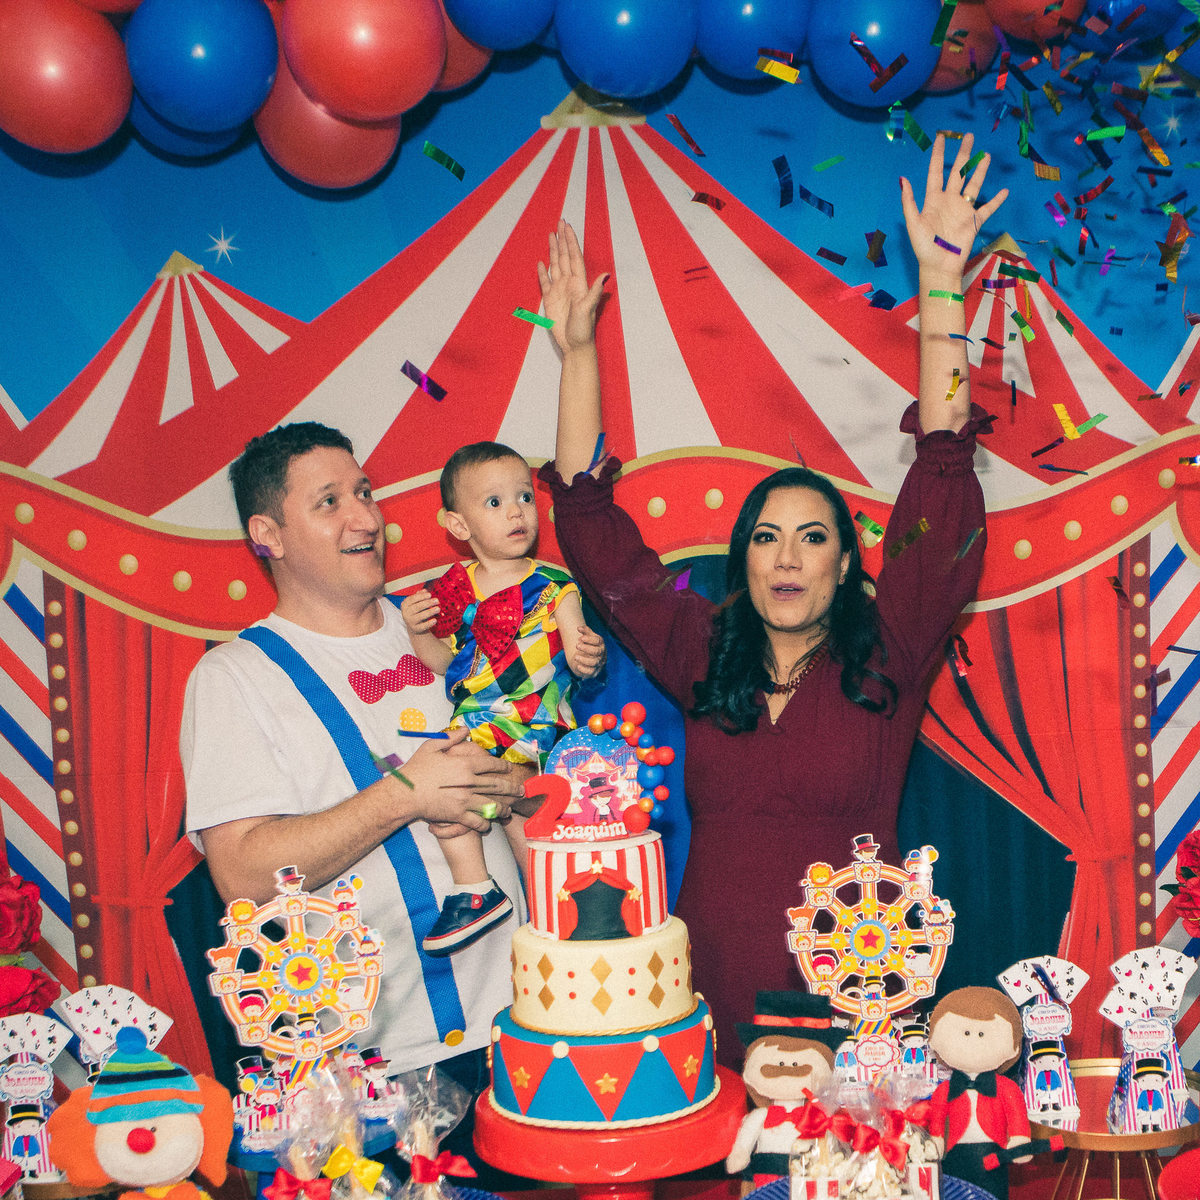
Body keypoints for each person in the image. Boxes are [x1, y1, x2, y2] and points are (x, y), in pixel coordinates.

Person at [537, 133, 1007, 1067]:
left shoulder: (891, 649)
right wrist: (576, 353)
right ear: (744, 561)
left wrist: (941, 286)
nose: (787, 557)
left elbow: (944, 468)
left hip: (858, 997)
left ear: (847, 565)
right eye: (765, 537)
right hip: (709, 992)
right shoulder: (700, 648)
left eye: (813, 537)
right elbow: (591, 528)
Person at [180, 422, 531, 1161]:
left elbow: (532, 775)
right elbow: (241, 872)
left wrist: (513, 782)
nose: (366, 518)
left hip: (528, 1025)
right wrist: (405, 794)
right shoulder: (235, 678)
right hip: (379, 1073)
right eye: (330, 501)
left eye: (365, 493)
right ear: (268, 535)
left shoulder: (449, 626)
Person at [400, 441, 605, 955]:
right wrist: (417, 630)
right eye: (495, 502)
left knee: (479, 790)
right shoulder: (455, 590)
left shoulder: (555, 585)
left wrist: (585, 655)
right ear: (458, 525)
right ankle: (500, 895)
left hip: (534, 717)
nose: (516, 511)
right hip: (479, 718)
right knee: (462, 795)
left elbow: (577, 643)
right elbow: (442, 663)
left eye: (524, 497)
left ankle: (521, 901)